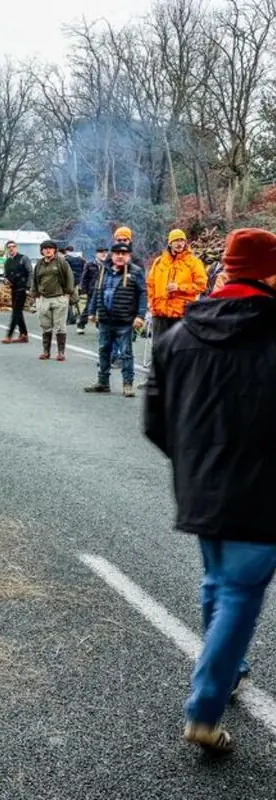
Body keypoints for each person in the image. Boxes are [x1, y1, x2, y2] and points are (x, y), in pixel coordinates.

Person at [143, 228, 276, 753]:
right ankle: (204, 707)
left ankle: (231, 668)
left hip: (201, 485)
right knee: (239, 594)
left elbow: (155, 418)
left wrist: (195, 462)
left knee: (217, 583)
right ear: (268, 273)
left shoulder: (179, 334)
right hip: (264, 488)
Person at [84, 242, 147, 397]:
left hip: (125, 320)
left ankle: (127, 385)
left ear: (129, 256)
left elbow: (143, 295)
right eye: (117, 253)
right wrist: (92, 311)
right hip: (105, 320)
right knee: (104, 351)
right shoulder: (104, 271)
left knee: (126, 353)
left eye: (123, 254)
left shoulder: (136, 272)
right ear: (112, 255)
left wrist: (140, 316)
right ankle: (103, 383)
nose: (120, 256)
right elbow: (97, 291)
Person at [147, 229, 207, 342]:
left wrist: (179, 287)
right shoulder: (159, 262)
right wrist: (152, 304)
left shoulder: (194, 262)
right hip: (160, 313)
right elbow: (150, 285)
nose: (179, 244)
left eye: (182, 240)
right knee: (159, 350)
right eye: (176, 240)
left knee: (179, 352)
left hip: (181, 314)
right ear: (170, 243)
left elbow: (201, 285)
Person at [31, 239, 75, 361]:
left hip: (59, 298)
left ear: (55, 250)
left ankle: (61, 352)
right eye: (45, 248)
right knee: (45, 326)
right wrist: (35, 295)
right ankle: (46, 352)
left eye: (50, 248)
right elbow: (34, 280)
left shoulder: (61, 262)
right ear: (42, 251)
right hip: (43, 298)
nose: (48, 250)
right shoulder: (39, 264)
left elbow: (69, 277)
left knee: (60, 326)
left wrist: (68, 293)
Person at [1, 240, 31, 344]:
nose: (11, 248)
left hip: (22, 288)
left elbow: (30, 272)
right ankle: (24, 334)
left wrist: (28, 287)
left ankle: (9, 335)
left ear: (16, 247)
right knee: (17, 311)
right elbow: (5, 275)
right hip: (13, 288)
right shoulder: (7, 261)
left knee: (16, 312)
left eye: (13, 246)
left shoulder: (23, 258)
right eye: (9, 247)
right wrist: (5, 280)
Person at [77, 245, 108, 334]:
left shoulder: (108, 265)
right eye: (101, 252)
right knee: (89, 308)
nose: (104, 254)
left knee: (103, 309)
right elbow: (84, 278)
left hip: (104, 290)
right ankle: (81, 324)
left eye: (105, 252)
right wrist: (83, 289)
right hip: (92, 289)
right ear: (97, 254)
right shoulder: (90, 264)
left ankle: (99, 326)